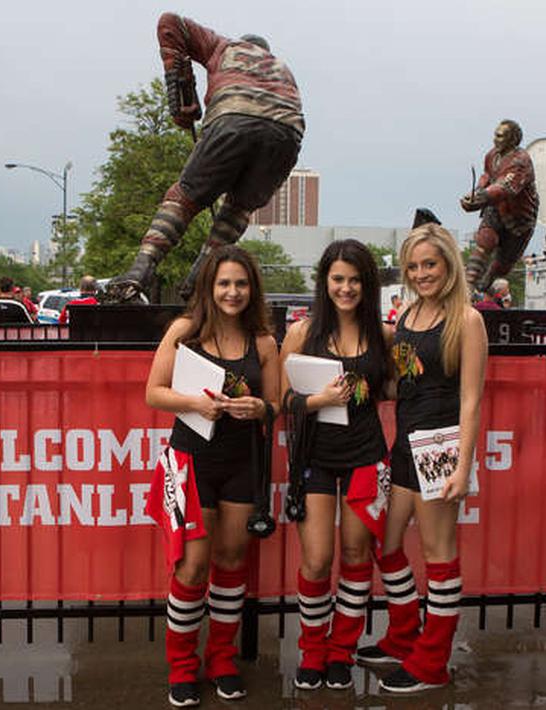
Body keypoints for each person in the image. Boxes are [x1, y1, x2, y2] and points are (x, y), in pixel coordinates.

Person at [144, 245, 280, 707]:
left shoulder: (263, 341)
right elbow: (154, 393)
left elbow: (275, 406)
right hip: (191, 463)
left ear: (252, 289)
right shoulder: (186, 331)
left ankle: (221, 660)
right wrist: (195, 404)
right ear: (209, 286)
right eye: (224, 283)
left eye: (241, 283)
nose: (232, 292)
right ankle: (181, 666)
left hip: (244, 462)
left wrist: (260, 407)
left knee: (231, 560)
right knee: (192, 566)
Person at [355, 223, 488, 694]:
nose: (421, 273)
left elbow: (471, 400)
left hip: (440, 448)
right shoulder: (408, 315)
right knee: (387, 546)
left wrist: (461, 467)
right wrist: (361, 386)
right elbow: (401, 385)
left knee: (439, 556)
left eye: (429, 264)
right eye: (413, 266)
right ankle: (402, 636)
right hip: (404, 445)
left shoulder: (467, 320)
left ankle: (432, 662)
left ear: (449, 263)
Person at [107, 13, 304, 304]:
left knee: (184, 198)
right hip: (287, 135)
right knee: (238, 208)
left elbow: (170, 24)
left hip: (234, 117)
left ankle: (141, 269)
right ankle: (199, 282)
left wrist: (179, 91)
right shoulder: (282, 69)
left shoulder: (224, 47)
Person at [279, 240, 393, 692]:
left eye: (355, 280)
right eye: (338, 279)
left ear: (367, 285)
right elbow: (279, 401)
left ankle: (341, 651)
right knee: (317, 558)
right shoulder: (301, 333)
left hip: (366, 455)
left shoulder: (383, 336)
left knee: (355, 556)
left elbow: (395, 389)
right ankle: (313, 650)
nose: (346, 288)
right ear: (324, 282)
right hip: (315, 458)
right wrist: (318, 400)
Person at [459, 120, 539, 293]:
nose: (495, 139)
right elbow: (488, 175)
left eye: (500, 136)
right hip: (496, 208)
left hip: (520, 218)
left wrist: (481, 197)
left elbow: (506, 187)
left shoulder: (521, 162)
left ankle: (485, 284)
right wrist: (476, 191)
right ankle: (467, 287)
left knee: (503, 264)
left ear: (513, 139)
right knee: (484, 241)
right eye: (495, 134)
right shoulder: (492, 156)